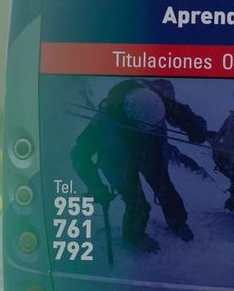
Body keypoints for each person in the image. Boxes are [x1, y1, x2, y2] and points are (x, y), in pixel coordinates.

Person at [71, 79, 209, 253]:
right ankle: (134, 235)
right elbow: (78, 154)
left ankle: (178, 222)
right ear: (131, 118)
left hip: (150, 149)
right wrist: (96, 186)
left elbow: (180, 112)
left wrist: (195, 127)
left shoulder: (150, 99)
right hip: (118, 161)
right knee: (136, 202)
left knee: (164, 186)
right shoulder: (102, 124)